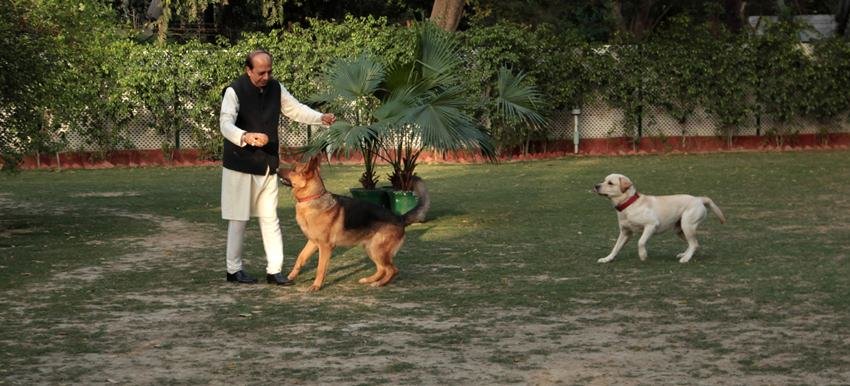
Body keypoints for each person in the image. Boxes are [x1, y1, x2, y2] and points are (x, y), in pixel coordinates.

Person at [219, 49, 335, 285]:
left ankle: (274, 270)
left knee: (270, 218)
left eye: (269, 71)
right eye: (261, 72)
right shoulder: (234, 91)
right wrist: (245, 136)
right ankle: (234, 270)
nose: (266, 77)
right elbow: (225, 123)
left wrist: (319, 117)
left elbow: (295, 108)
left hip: (267, 164)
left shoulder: (276, 88)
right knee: (238, 219)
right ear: (248, 70)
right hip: (239, 165)